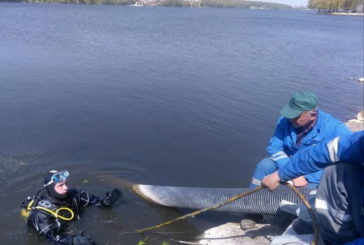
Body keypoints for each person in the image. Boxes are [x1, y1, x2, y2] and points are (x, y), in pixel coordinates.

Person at [262, 130, 364, 245]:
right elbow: (323, 151)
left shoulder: (332, 126)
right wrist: (281, 174)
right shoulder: (359, 141)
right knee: (338, 171)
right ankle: (335, 237)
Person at [250, 91, 351, 188]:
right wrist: (292, 172)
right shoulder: (285, 119)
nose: (290, 119)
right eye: (289, 114)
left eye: (296, 116)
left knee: (308, 193)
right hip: (287, 163)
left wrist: (302, 175)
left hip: (313, 173)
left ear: (313, 115)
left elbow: (347, 163)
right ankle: (251, 199)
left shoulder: (336, 129)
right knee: (265, 165)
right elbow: (274, 147)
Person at [21, 170, 123, 245]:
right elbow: (50, 238)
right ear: (51, 188)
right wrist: (72, 241)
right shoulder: (40, 213)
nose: (66, 188)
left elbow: (95, 202)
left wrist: (104, 203)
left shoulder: (74, 195)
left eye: (65, 184)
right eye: (60, 185)